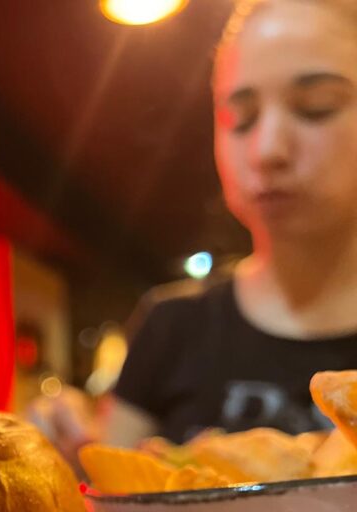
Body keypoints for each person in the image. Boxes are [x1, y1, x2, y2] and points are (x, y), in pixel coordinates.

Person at [109, 0, 357, 446]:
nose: (267, 150)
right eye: (240, 119)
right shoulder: (172, 327)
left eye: (317, 107)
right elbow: (111, 501)